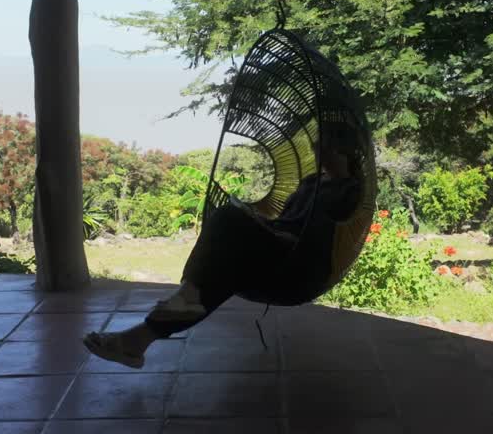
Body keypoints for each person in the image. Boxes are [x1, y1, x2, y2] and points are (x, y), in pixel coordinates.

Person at [83, 123, 363, 368]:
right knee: (222, 271)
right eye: (317, 145)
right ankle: (140, 339)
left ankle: (182, 298)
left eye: (323, 145)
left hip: (300, 264)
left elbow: (325, 233)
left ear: (342, 149)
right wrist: (264, 225)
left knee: (228, 222)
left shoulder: (350, 190)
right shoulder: (311, 181)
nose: (316, 150)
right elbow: (287, 219)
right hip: (277, 251)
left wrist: (280, 231)